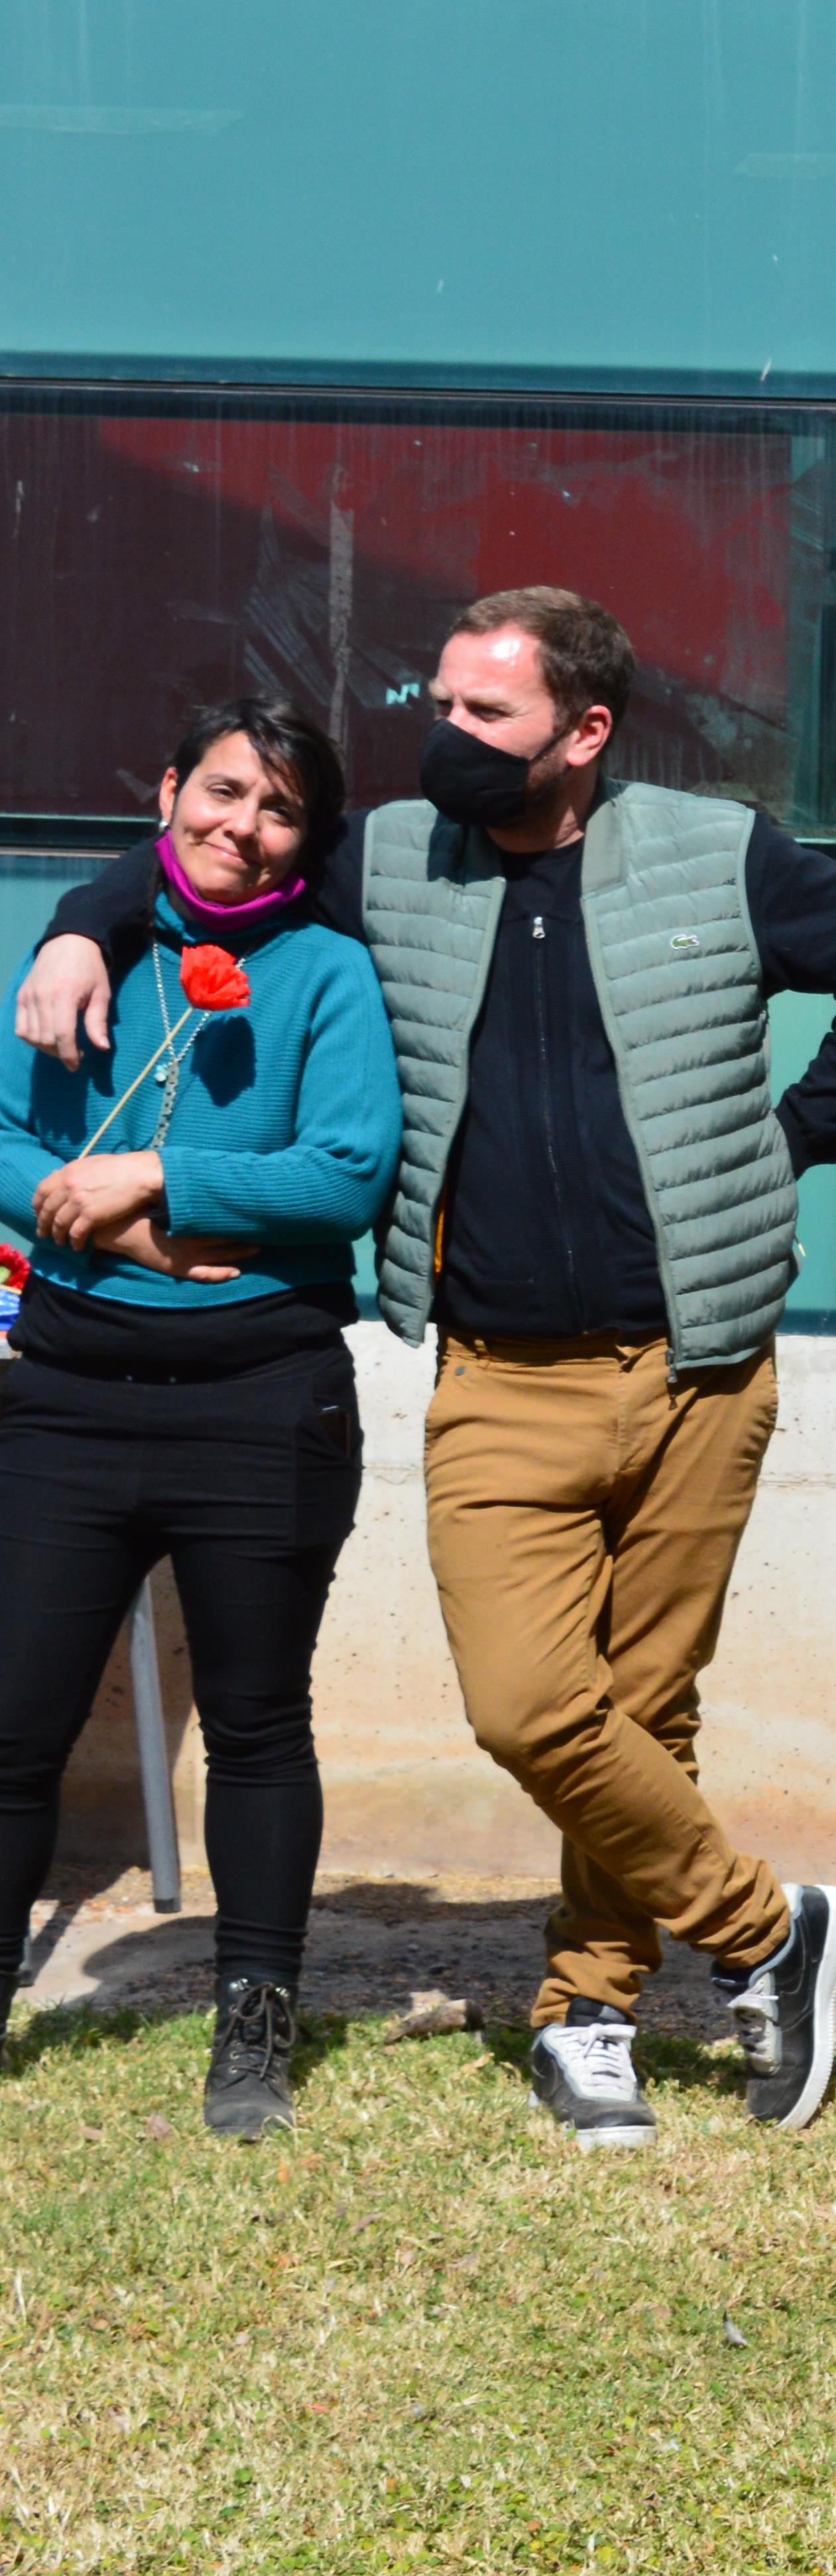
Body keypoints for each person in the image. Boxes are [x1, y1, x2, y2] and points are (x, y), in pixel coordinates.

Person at [17, 589, 836, 2151]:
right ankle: (767, 1929)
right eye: (439, 701)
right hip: (501, 1368)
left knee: (645, 1708)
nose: (442, 734)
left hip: (702, 1361)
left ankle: (589, 2013)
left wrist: (782, 1145)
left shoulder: (713, 852)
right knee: (530, 1707)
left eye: (481, 713)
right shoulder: (394, 854)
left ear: (583, 732)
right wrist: (78, 921)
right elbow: (215, 855)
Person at [0, 700, 394, 2137]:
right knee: (13, 1725)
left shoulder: (330, 970)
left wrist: (155, 1176)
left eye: (280, 809)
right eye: (223, 791)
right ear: (168, 790)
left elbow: (347, 1171)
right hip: (66, 1400)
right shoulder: (78, 954)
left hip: (262, 1401)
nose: (243, 827)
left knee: (257, 1722)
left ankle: (256, 2016)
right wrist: (126, 1234)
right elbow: (7, 1137)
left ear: (310, 838)